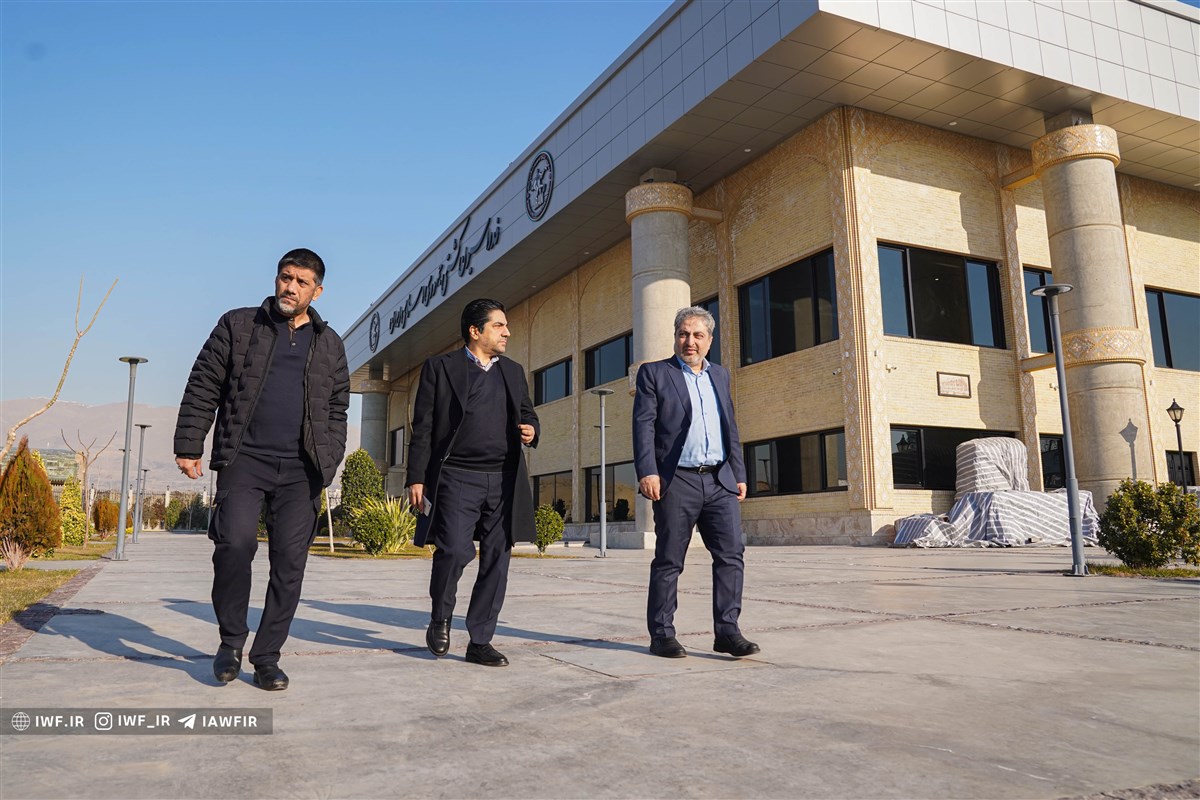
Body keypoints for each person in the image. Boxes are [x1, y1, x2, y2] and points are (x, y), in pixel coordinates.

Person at [174, 248, 349, 690]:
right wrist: (190, 445)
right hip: (244, 460)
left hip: (302, 470)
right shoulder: (238, 324)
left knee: (289, 564)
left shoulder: (330, 343)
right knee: (233, 545)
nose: (291, 287)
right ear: (276, 279)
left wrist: (329, 460)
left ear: (317, 291)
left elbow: (337, 408)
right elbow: (203, 384)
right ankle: (231, 641)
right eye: (286, 277)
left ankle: (267, 657)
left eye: (302, 282)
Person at [406, 298, 539, 667]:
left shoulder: (513, 371)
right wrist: (416, 477)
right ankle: (441, 617)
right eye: (499, 325)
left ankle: (480, 640)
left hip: (504, 480)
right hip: (456, 477)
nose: (507, 332)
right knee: (453, 551)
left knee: (497, 558)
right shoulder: (440, 368)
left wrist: (532, 429)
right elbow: (423, 426)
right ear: (475, 331)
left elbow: (527, 412)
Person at [633, 306, 760, 659]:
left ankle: (728, 632)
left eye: (698, 335)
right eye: (684, 334)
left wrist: (739, 473)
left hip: (720, 480)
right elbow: (643, 425)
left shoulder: (720, 374)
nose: (690, 341)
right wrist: (647, 470)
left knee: (731, 556)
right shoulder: (655, 373)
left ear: (709, 340)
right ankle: (662, 635)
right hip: (678, 481)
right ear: (676, 337)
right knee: (669, 560)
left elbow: (729, 426)